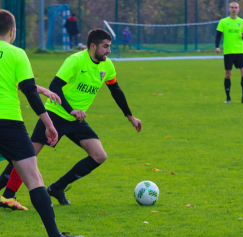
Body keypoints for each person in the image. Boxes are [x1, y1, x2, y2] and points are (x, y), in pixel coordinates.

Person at [0, 28, 142, 208]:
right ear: (93, 46)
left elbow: (116, 90)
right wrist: (71, 109)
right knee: (25, 155)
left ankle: (57, 188)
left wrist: (130, 117)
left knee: (99, 155)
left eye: (109, 46)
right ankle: (7, 195)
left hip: (77, 120)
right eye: (105, 47)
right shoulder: (75, 61)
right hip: (56, 115)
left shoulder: (107, 66)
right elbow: (55, 86)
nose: (109, 50)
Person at [0, 9, 84, 237]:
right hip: (9, 122)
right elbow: (26, 89)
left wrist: (42, 89)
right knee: (34, 179)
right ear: (12, 31)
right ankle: (55, 236)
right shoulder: (17, 53)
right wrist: (49, 124)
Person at [215, 2, 243, 104]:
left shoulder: (242, 22)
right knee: (228, 74)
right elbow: (218, 35)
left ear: (238, 9)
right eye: (232, 8)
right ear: (229, 9)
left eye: (236, 8)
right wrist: (217, 47)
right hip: (229, 52)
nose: (234, 9)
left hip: (240, 51)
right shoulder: (223, 21)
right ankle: (228, 98)